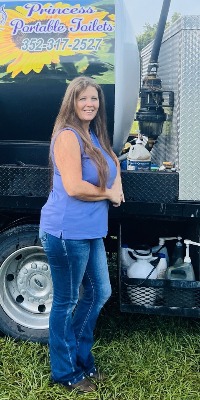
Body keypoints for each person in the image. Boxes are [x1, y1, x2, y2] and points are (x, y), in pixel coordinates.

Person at [39, 76, 124, 394]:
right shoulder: (67, 137)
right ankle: (65, 371)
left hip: (91, 231)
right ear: (71, 102)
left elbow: (114, 162)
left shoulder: (95, 135)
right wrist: (109, 194)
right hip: (65, 232)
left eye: (94, 99)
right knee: (66, 301)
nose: (90, 104)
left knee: (100, 292)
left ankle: (79, 356)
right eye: (83, 99)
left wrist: (118, 187)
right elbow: (74, 187)